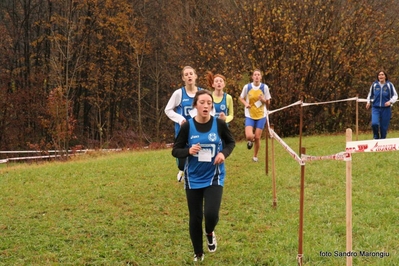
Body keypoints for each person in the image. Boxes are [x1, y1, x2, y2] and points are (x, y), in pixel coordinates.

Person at [172, 90, 235, 262]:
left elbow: (231, 142)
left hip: (214, 176)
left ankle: (209, 231)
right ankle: (198, 253)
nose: (206, 105)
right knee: (195, 216)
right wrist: (188, 151)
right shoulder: (187, 126)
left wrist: (223, 153)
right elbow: (175, 150)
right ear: (195, 105)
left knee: (211, 214)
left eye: (209, 103)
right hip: (193, 178)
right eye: (202, 102)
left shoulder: (219, 124)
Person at [165, 66, 202, 182]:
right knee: (182, 159)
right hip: (183, 131)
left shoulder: (201, 93)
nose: (189, 76)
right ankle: (181, 169)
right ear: (183, 78)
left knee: (198, 153)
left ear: (195, 76)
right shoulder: (178, 93)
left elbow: (210, 110)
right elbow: (168, 110)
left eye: (191, 73)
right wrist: (180, 119)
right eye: (186, 74)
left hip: (197, 130)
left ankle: (196, 175)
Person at [239, 69, 271, 162]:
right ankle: (250, 141)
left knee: (257, 137)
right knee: (249, 136)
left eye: (258, 75)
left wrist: (263, 100)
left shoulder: (264, 87)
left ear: (261, 77)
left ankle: (255, 156)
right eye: (255, 75)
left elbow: (268, 102)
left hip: (261, 115)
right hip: (250, 114)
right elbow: (241, 98)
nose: (257, 76)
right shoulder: (247, 87)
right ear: (252, 77)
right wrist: (246, 104)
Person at [366, 70, 398, 139]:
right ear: (378, 77)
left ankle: (382, 141)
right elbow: (370, 95)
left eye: (382, 75)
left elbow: (395, 96)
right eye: (379, 75)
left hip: (386, 109)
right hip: (376, 108)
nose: (381, 76)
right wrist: (368, 102)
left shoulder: (389, 85)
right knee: (374, 123)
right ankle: (376, 137)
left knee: (384, 127)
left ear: (385, 76)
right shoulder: (374, 85)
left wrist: (390, 102)